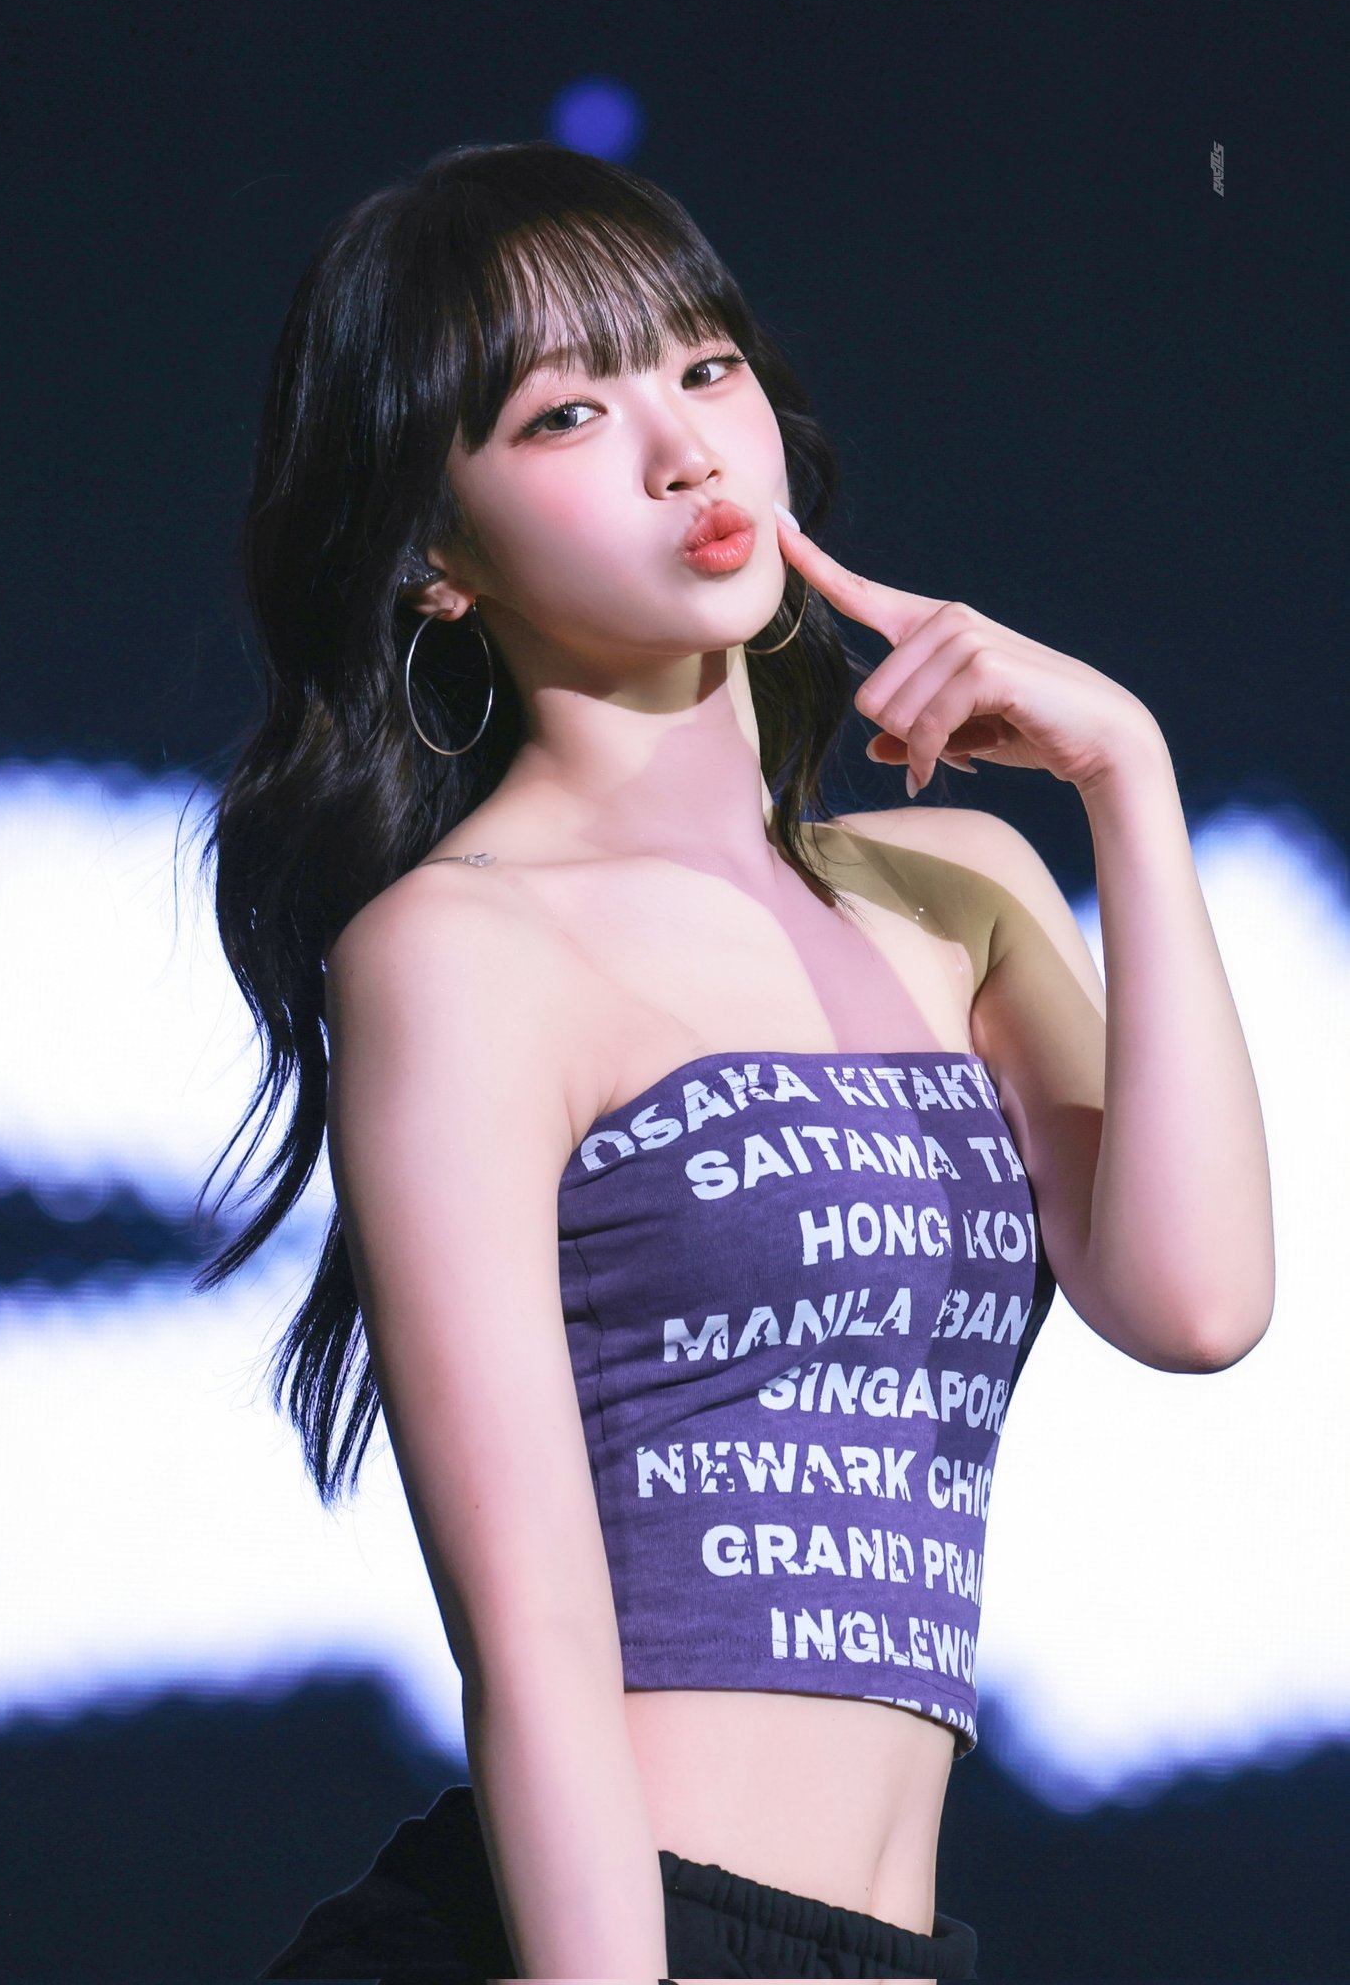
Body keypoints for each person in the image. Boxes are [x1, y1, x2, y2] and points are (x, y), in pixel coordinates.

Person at [194, 139, 1275, 1982]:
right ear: (435, 558)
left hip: (867, 1945)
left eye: (705, 369)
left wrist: (1129, 779)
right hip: (600, 1934)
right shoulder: (461, 953)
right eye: (563, 414)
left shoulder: (960, 886)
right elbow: (531, 1638)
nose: (682, 449)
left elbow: (1195, 1303)